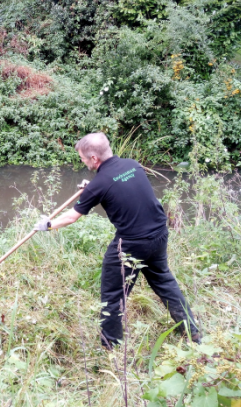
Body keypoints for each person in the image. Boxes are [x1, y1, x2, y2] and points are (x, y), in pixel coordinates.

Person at [34, 133, 200, 348]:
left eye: (83, 158)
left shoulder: (99, 184)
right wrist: (92, 188)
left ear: (94, 158)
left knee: (113, 295)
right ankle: (192, 332)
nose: (83, 162)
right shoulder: (133, 165)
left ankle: (110, 345)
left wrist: (47, 225)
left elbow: (72, 217)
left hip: (131, 244)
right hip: (159, 234)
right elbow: (121, 187)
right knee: (165, 282)